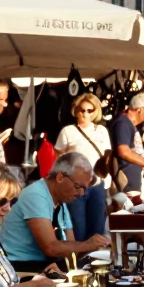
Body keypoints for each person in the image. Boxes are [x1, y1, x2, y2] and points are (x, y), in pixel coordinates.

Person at [0, 153, 110, 270]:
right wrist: (87, 245)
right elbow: (50, 247)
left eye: (85, 188)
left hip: (46, 266)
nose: (81, 193)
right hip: (22, 266)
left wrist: (95, 246)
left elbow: (70, 251)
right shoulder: (36, 195)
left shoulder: (61, 201)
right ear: (60, 177)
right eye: (78, 186)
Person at [54, 93, 110, 242]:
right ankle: (78, 262)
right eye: (82, 110)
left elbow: (107, 157)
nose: (85, 113)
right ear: (76, 110)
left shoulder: (102, 131)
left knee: (97, 229)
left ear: (95, 111)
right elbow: (58, 157)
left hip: (97, 183)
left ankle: (95, 261)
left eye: (89, 110)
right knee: (77, 228)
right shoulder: (68, 131)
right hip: (75, 185)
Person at [110, 92, 144, 196]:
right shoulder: (123, 123)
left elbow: (131, 151)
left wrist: (142, 164)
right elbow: (123, 151)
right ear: (139, 110)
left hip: (132, 182)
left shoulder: (128, 123)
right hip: (127, 183)